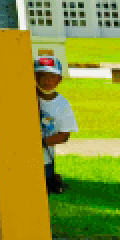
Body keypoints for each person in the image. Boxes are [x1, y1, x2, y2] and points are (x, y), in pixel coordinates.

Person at [35, 56, 77, 194]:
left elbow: (64, 135)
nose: (46, 80)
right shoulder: (25, 97)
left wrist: (39, 142)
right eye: (41, 75)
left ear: (59, 79)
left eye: (51, 76)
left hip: (45, 159)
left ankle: (53, 179)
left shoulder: (63, 105)